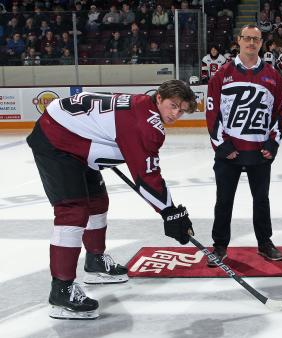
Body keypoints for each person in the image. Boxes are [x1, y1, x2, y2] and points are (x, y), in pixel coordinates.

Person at [26, 80, 198, 319]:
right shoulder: (147, 125)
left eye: (182, 110)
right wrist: (170, 213)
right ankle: (61, 290)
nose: (176, 113)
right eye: (173, 105)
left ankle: (95, 261)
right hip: (56, 139)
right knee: (73, 211)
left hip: (73, 131)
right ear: (158, 98)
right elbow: (146, 178)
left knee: (97, 200)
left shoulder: (141, 105)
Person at [206, 25, 282, 267]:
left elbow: (279, 114)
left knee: (261, 199)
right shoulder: (221, 74)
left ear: (261, 43)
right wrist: (222, 145)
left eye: (256, 39)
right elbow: (212, 113)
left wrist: (272, 143)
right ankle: (219, 246)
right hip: (229, 152)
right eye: (247, 38)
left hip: (259, 151)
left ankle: (264, 243)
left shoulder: (273, 75)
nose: (251, 42)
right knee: (224, 200)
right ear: (238, 41)